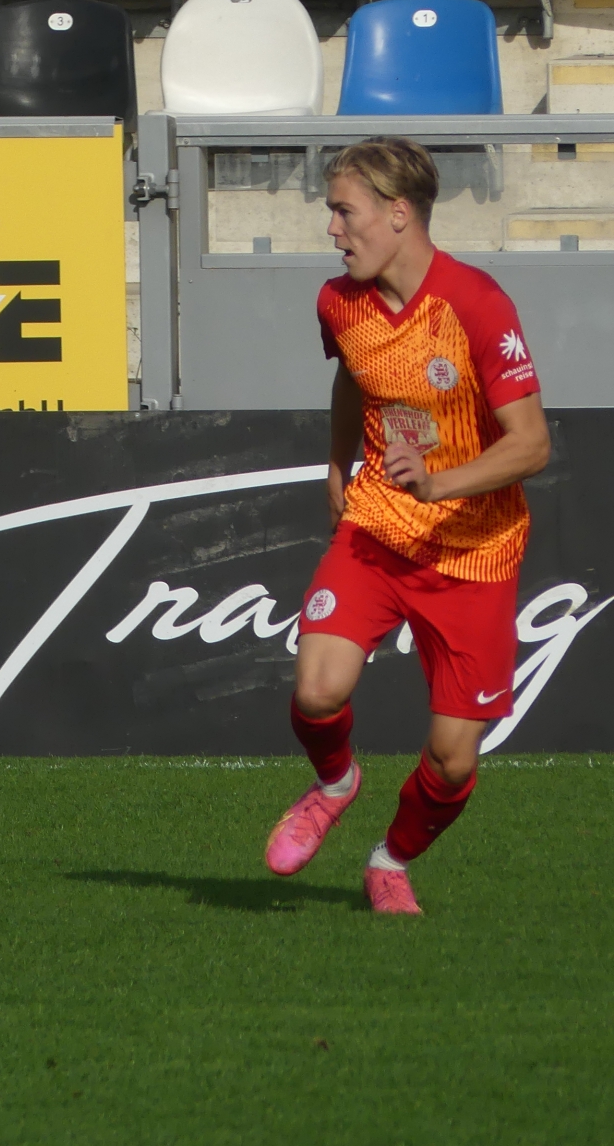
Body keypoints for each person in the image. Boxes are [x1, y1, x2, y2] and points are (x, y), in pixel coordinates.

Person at [263, 137, 549, 915]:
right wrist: (337, 463)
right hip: (377, 528)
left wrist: (438, 483)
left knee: (453, 763)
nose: (332, 229)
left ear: (398, 214)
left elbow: (532, 444)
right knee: (317, 691)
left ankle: (389, 861)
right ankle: (335, 784)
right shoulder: (338, 301)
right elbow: (353, 378)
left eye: (343, 211)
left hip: (475, 553)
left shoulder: (477, 304)